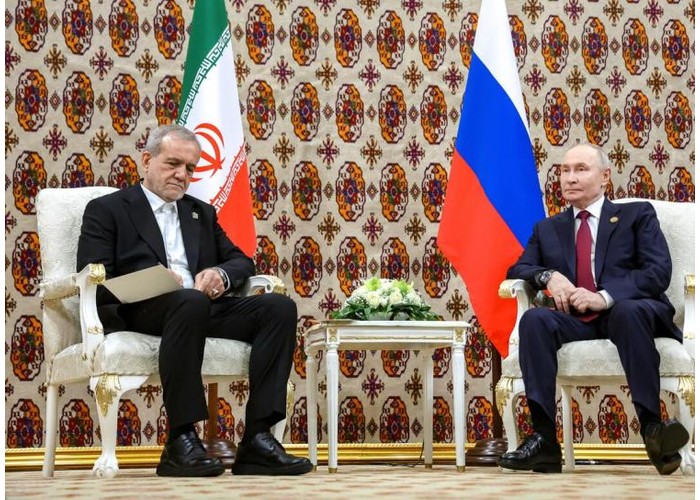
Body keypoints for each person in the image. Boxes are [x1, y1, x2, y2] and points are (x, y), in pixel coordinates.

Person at [77, 124, 313, 477]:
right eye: (173, 163)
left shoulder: (200, 212)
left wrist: (220, 274)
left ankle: (258, 439)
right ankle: (181, 439)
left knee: (278, 308)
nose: (182, 175)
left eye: (190, 168)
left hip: (199, 308)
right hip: (140, 309)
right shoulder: (108, 209)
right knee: (189, 301)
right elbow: (95, 278)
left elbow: (241, 261)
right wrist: (154, 280)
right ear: (147, 160)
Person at [497, 143, 689, 475]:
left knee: (627, 313)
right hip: (578, 321)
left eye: (581, 169)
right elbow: (518, 268)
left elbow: (657, 272)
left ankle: (653, 429)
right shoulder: (548, 228)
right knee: (535, 320)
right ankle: (544, 441)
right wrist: (548, 276)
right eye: (564, 170)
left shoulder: (636, 215)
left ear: (605, 177)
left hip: (631, 315)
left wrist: (606, 297)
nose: (570, 178)